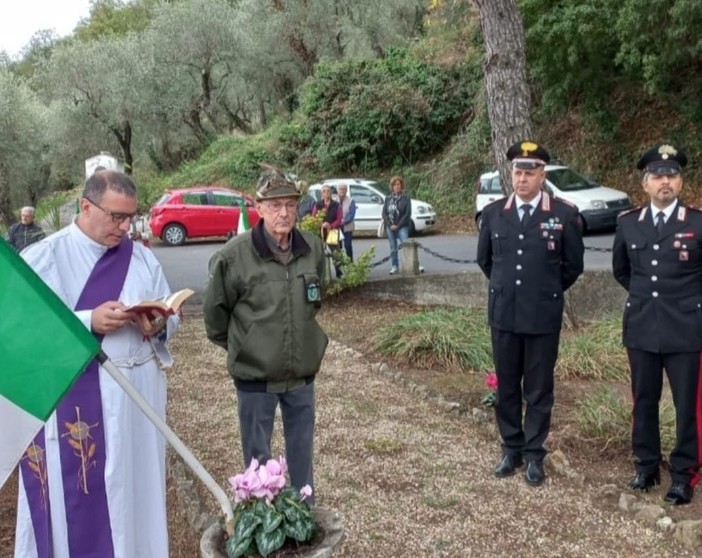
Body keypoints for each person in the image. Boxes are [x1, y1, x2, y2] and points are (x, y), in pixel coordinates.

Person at [14, 171, 180, 558]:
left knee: (133, 498)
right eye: (116, 217)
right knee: (80, 501)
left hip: (136, 406)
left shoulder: (141, 258)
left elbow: (167, 314)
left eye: (131, 218)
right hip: (77, 404)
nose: (125, 227)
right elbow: (23, 336)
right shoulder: (44, 258)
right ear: (85, 206)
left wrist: (159, 324)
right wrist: (88, 321)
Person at [203, 167, 328, 503]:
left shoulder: (313, 250)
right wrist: (245, 347)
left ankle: (304, 515)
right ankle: (264, 520)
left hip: (301, 376)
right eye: (275, 206)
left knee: (301, 456)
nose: (284, 212)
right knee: (258, 460)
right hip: (255, 379)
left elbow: (315, 301)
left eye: (290, 204)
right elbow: (215, 315)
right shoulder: (233, 256)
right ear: (259, 207)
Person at [476, 140, 584, 486]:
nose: (522, 179)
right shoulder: (494, 214)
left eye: (530, 172)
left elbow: (572, 266)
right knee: (507, 386)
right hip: (504, 315)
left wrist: (544, 292)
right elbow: (486, 261)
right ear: (511, 175)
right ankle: (511, 448)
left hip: (542, 316)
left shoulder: (563, 214)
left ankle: (535, 453)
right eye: (518, 172)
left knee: (538, 389)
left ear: (542, 175)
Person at [612, 144, 702, 505]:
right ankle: (646, 466)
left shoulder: (697, 222)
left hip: (686, 329)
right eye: (657, 176)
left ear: (680, 183)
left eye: (672, 175)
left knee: (689, 406)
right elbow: (623, 271)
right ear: (645, 184)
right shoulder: (629, 223)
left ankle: (684, 474)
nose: (665, 182)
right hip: (642, 327)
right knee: (643, 401)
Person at [381, 176, 412, 275]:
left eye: (398, 184)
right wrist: (390, 225)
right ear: (392, 186)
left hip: (402, 226)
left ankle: (412, 263)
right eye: (395, 185)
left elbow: (407, 214)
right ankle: (395, 266)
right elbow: (384, 213)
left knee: (407, 244)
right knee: (393, 247)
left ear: (401, 186)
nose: (397, 186)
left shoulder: (406, 199)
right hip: (390, 227)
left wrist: (398, 225)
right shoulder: (388, 199)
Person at [312, 184, 343, 278]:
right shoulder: (318, 204)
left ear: (331, 193)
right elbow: (313, 217)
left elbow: (339, 219)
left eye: (328, 191)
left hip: (332, 231)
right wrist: (321, 225)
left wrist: (330, 225)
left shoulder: (336, 205)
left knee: (335, 252)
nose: (326, 193)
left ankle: (339, 273)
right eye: (324, 191)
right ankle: (321, 273)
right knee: (320, 252)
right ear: (321, 194)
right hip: (320, 230)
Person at [337, 183, 356, 261]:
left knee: (348, 245)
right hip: (337, 227)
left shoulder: (351, 200)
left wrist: (344, 221)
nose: (342, 191)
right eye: (340, 189)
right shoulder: (334, 200)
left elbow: (352, 213)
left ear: (346, 190)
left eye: (344, 189)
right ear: (337, 190)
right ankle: (339, 263)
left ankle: (350, 262)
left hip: (347, 226)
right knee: (338, 247)